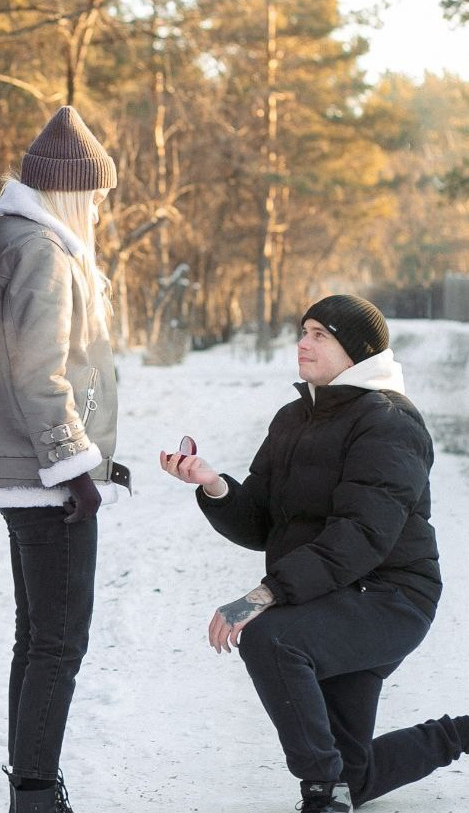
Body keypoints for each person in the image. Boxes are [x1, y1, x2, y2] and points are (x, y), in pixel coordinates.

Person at [160, 295, 469, 813]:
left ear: (356, 351)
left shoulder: (390, 423)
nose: (303, 343)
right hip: (332, 595)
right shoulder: (294, 418)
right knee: (358, 776)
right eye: (303, 331)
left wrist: (267, 594)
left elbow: (362, 535)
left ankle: (322, 796)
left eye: (320, 334)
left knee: (271, 638)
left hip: (389, 598)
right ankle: (452, 738)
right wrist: (213, 485)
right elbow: (262, 521)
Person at [0, 106, 129, 813]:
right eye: (91, 194)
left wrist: (96, 461)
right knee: (57, 643)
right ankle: (35, 791)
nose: (97, 207)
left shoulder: (25, 240)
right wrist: (74, 470)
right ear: (68, 191)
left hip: (31, 469)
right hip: (44, 480)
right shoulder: (40, 250)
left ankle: (30, 780)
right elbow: (40, 374)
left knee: (36, 638)